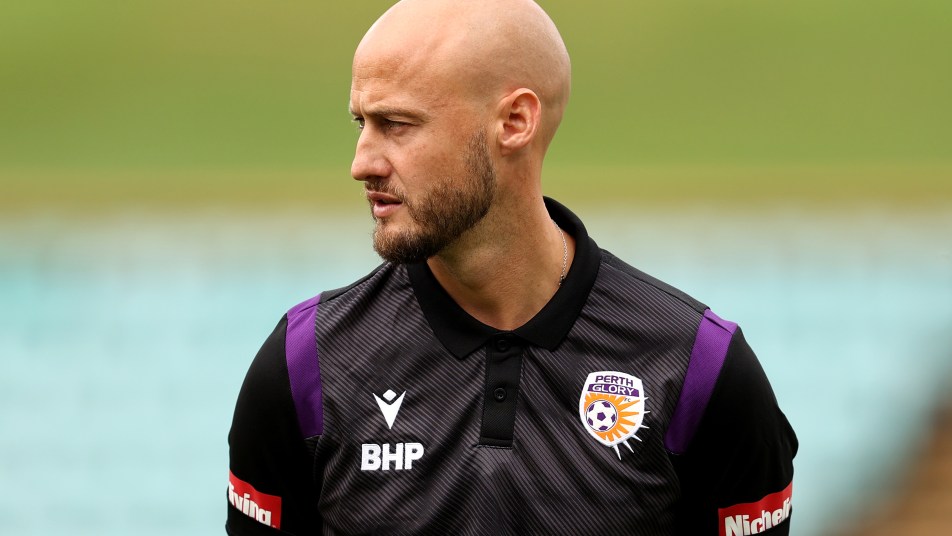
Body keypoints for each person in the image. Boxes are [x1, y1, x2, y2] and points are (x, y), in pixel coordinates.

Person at [226, 0, 798, 534]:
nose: (362, 163)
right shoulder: (305, 365)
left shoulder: (698, 369)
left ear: (516, 122)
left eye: (396, 124)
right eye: (361, 124)